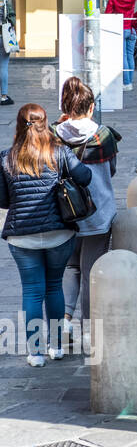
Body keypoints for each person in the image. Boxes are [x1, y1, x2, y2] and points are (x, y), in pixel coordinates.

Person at [0, 104, 91, 366]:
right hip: (58, 234)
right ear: (45, 124)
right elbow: (84, 177)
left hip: (22, 236)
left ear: (18, 126)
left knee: (31, 291)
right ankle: (57, 347)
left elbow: (3, 200)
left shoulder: (6, 158)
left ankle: (35, 353)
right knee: (54, 286)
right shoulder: (60, 153)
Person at [57, 78, 119, 338]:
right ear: (91, 107)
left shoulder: (53, 135)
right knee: (92, 271)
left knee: (71, 267)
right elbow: (112, 171)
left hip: (64, 213)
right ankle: (89, 329)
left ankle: (65, 320)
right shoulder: (103, 135)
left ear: (65, 106)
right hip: (97, 213)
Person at [106, 0, 137, 91]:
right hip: (131, 29)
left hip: (120, 28)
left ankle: (126, 83)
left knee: (123, 57)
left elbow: (108, 13)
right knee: (130, 56)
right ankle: (129, 82)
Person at [0, 0, 14, 106]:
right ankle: (3, 96)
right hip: (2, 37)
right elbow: (12, 19)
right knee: (3, 66)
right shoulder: (5, 3)